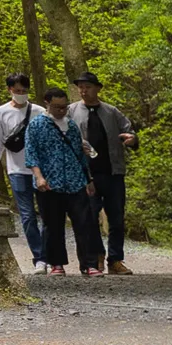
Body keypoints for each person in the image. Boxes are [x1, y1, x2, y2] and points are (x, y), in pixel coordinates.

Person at [24, 85, 104, 276]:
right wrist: (39, 177)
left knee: (85, 223)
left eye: (64, 107)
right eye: (57, 107)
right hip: (50, 184)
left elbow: (80, 154)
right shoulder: (36, 125)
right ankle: (56, 263)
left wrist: (88, 179)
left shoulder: (72, 126)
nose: (62, 110)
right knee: (53, 225)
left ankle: (89, 264)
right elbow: (31, 154)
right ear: (47, 104)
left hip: (75, 182)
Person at [74, 71, 136, 275]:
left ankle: (115, 259)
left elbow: (130, 132)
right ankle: (96, 257)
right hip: (86, 175)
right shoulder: (71, 111)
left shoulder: (111, 112)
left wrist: (132, 140)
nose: (84, 91)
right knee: (89, 217)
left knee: (117, 218)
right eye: (81, 87)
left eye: (88, 87)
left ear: (98, 88)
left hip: (112, 172)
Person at [0, 72, 49, 272]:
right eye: (17, 91)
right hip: (16, 170)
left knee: (47, 214)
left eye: (24, 91)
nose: (21, 94)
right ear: (9, 90)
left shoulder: (40, 111)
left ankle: (49, 254)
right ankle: (39, 257)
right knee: (27, 216)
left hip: (41, 171)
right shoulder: (0, 113)